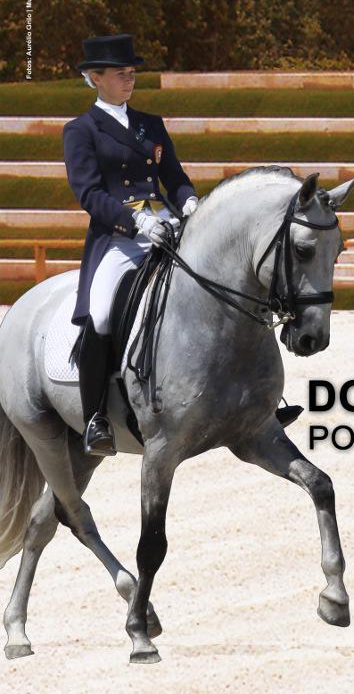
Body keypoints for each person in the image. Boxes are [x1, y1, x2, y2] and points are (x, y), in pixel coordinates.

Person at [64, 33, 301, 458]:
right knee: (100, 315)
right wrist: (135, 220)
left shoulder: (149, 124)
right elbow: (89, 193)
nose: (129, 80)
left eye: (132, 73)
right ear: (95, 78)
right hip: (119, 239)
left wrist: (190, 201)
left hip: (170, 228)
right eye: (120, 74)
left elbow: (173, 177)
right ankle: (96, 416)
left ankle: (258, 400)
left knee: (229, 289)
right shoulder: (81, 130)